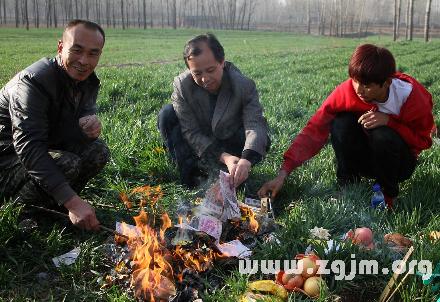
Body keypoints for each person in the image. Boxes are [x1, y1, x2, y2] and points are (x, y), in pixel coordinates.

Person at [258, 44, 434, 208]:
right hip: (366, 157)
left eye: (366, 85)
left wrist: (390, 122)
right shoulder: (348, 90)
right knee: (341, 122)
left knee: (382, 133)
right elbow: (314, 129)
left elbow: (423, 142)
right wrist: (283, 173)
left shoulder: (412, 97)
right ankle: (348, 183)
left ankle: (388, 195)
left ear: (387, 82)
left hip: (399, 164)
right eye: (355, 81)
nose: (358, 90)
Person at [0, 20, 109, 230]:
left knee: (97, 151)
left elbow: (65, 127)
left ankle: (54, 204)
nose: (84, 61)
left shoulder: (87, 81)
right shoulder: (32, 83)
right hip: (7, 158)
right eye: (76, 50)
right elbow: (29, 147)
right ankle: (21, 213)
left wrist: (88, 131)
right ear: (60, 47)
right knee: (67, 162)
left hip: (34, 151)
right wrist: (74, 202)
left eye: (93, 53)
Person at [158, 33, 269, 188]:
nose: (205, 79)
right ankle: (192, 173)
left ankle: (237, 169)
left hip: (229, 137)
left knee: (260, 139)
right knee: (167, 114)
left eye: (210, 70)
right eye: (197, 73)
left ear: (222, 62)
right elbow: (191, 132)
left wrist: (246, 159)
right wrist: (224, 157)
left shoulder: (243, 85)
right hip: (200, 143)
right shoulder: (182, 86)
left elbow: (254, 124)